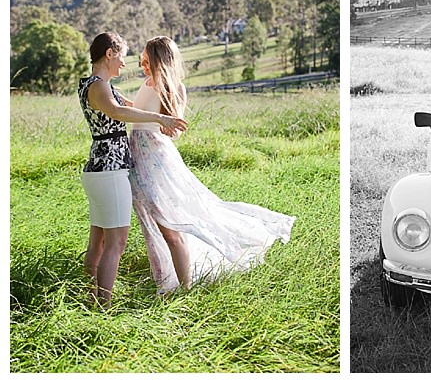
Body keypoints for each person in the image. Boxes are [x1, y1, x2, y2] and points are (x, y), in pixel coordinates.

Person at [128, 36, 296, 295]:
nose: (143, 65)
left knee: (172, 225)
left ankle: (184, 289)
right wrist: (119, 103)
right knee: (154, 223)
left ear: (160, 60)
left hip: (157, 160)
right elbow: (139, 114)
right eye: (142, 60)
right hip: (137, 159)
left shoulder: (175, 88)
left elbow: (175, 132)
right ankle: (167, 278)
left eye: (146, 60)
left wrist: (168, 123)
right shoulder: (146, 83)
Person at [78, 32, 188, 307]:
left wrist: (157, 113)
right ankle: (103, 305)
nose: (126, 65)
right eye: (124, 57)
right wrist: (159, 116)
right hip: (111, 168)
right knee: (116, 243)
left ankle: (90, 297)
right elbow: (119, 113)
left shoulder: (97, 85)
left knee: (99, 242)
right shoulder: (100, 87)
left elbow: (126, 106)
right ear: (110, 53)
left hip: (102, 167)